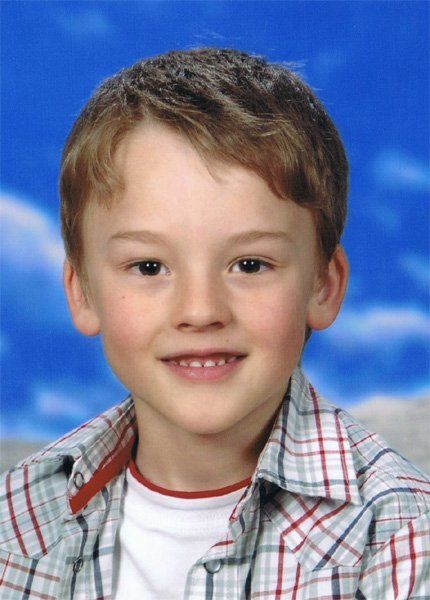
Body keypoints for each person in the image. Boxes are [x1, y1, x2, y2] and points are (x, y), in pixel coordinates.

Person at [0, 48, 428, 600]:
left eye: (249, 265)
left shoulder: (399, 540)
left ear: (324, 285)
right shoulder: (18, 518)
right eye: (149, 267)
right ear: (82, 290)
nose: (201, 311)